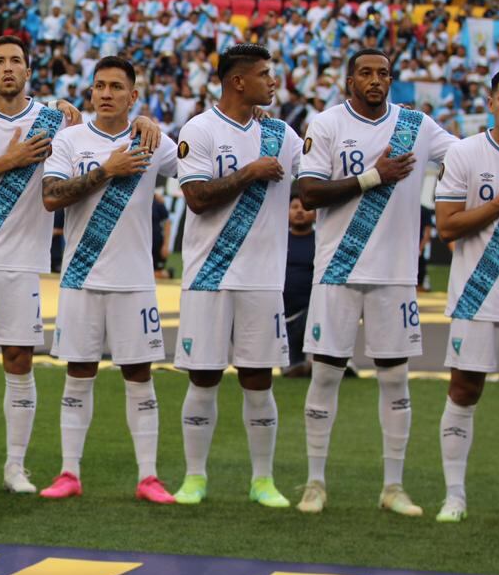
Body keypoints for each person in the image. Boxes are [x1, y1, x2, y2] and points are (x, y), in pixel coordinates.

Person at [0, 37, 154, 492]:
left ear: (28, 72)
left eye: (16, 61)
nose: (8, 67)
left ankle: (16, 467)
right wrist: (10, 159)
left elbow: (105, 126)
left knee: (19, 362)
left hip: (23, 260)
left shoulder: (56, 121)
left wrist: (144, 118)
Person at [294, 48, 456, 515]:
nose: (375, 80)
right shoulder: (327, 124)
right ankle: (315, 483)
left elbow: (468, 155)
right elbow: (309, 192)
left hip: (395, 274)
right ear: (350, 82)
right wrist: (372, 177)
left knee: (395, 379)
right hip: (337, 270)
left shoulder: (416, 125)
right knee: (325, 374)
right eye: (365, 73)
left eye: (383, 73)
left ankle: (393, 487)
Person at [39, 55, 178, 503]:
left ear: (133, 96)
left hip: (134, 280)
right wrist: (106, 171)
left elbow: (196, 162)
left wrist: (153, 123)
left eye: (116, 87)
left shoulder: (151, 139)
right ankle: (69, 472)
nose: (106, 94)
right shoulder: (70, 139)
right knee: (79, 373)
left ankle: (149, 477)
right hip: (80, 277)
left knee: (139, 375)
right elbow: (50, 197)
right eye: (100, 86)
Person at [172, 43, 302, 509]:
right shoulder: (200, 129)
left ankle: (263, 480)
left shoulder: (282, 134)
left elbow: (308, 183)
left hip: (263, 277)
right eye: (265, 74)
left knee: (259, 378)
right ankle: (194, 477)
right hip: (209, 274)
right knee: (203, 376)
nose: (273, 81)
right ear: (238, 82)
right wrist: (250, 172)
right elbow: (197, 198)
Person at [432, 67, 499, 522]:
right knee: (464, 390)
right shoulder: (465, 153)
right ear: (490, 103)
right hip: (477, 293)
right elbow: (447, 226)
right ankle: (455, 496)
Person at [283, 192, 316, 378]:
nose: (300, 211)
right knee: (292, 371)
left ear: (316, 214)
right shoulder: (278, 239)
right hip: (280, 315)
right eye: (294, 207)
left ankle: (329, 359)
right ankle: (302, 364)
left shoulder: (322, 241)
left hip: (310, 313)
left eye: (305, 207)